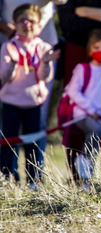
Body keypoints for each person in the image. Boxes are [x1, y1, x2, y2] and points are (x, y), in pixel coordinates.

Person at [0, 0, 67, 169]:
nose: (27, 24)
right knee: (9, 140)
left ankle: (34, 177)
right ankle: (8, 175)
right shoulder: (8, 47)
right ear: (14, 23)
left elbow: (45, 77)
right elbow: (5, 77)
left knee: (34, 140)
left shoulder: (44, 47)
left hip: (35, 103)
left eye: (31, 21)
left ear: (39, 25)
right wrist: (13, 63)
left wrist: (45, 63)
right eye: (22, 21)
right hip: (11, 103)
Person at [64, 29, 101, 184]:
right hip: (81, 114)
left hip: (99, 117)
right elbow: (73, 91)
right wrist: (91, 110)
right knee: (97, 131)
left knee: (95, 144)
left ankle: (86, 180)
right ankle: (82, 162)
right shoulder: (82, 69)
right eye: (97, 47)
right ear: (90, 49)